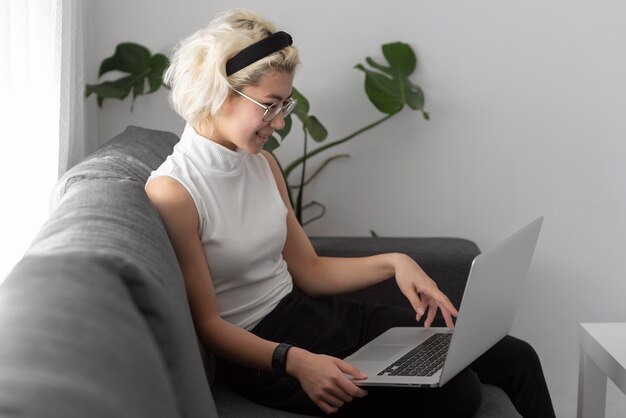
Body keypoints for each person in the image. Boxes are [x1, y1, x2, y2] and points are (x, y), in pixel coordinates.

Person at [145, 8, 556, 418]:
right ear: (221, 92)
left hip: (313, 316)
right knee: (457, 391)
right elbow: (209, 326)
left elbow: (309, 270)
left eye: (285, 105)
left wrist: (396, 261)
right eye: (271, 105)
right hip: (264, 357)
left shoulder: (262, 165)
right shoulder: (175, 191)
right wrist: (295, 360)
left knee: (516, 357)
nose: (280, 123)